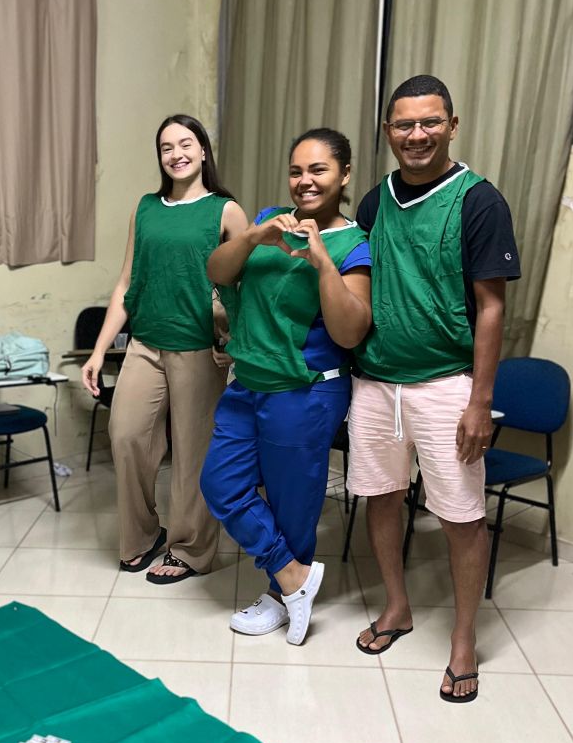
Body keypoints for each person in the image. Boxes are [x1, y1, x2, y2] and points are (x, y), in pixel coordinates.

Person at [348, 74, 521, 702]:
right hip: (375, 382)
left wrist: (480, 402)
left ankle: (464, 640)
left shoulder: (479, 202)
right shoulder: (374, 203)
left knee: (461, 517)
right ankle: (397, 607)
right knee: (381, 498)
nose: (416, 134)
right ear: (388, 131)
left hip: (447, 385)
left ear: (451, 126)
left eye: (429, 122)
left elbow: (492, 308)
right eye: (404, 124)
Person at [201, 128, 372, 645]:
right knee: (221, 484)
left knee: (292, 501)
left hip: (306, 392)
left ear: (344, 174)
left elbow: (350, 332)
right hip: (248, 382)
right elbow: (217, 271)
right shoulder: (269, 220)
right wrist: (252, 238)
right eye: (297, 171)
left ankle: (281, 597)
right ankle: (294, 576)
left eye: (318, 170)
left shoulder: (355, 245)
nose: (305, 181)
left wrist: (323, 264)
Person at [81, 115, 248, 583]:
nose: (177, 154)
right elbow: (126, 282)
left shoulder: (226, 211)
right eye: (166, 147)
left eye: (186, 143)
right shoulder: (146, 208)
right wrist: (99, 351)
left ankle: (191, 549)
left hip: (198, 350)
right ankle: (142, 534)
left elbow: (247, 285)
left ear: (203, 150)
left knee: (193, 454)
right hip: (145, 344)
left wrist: (236, 342)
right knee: (126, 435)